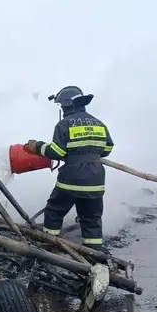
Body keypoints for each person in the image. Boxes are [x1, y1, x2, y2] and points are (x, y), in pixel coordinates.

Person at [24, 86, 114, 251]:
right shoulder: (99, 124)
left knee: (54, 211)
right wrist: (88, 152)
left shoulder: (64, 125)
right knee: (91, 218)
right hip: (96, 179)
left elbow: (56, 152)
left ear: (66, 106)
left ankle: (50, 245)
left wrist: (37, 146)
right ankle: (94, 254)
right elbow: (107, 149)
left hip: (72, 178)